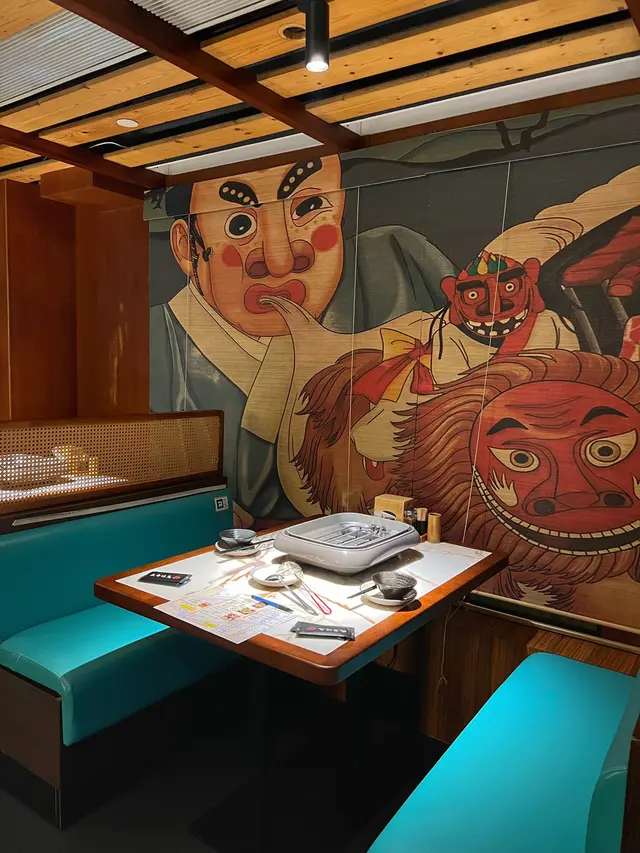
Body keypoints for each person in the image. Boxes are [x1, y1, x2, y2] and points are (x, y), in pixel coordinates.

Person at [150, 154, 454, 521]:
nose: (280, 260)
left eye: (309, 207)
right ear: (188, 247)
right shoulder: (154, 347)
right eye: (240, 225)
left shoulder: (398, 266)